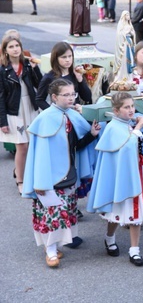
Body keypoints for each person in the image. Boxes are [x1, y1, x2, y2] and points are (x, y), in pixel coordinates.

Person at [22, 78, 100, 267]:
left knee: (63, 212)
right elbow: (40, 156)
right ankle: (50, 251)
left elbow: (76, 146)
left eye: (73, 94)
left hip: (69, 175)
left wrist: (91, 135)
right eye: (66, 95)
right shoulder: (45, 119)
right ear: (54, 97)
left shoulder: (72, 116)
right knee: (52, 215)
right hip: (50, 178)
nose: (71, 98)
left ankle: (54, 246)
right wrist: (41, 182)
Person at [87, 92, 143, 267]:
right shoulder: (113, 128)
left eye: (132, 106)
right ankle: (109, 238)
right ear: (116, 111)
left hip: (138, 173)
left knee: (136, 212)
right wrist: (138, 129)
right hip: (121, 177)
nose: (131, 110)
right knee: (116, 209)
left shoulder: (132, 123)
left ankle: (134, 250)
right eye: (126, 107)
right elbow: (126, 148)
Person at [0, 35, 42, 194]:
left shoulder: (28, 66)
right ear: (5, 50)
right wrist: (2, 121)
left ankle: (21, 170)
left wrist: (35, 68)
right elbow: (1, 96)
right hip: (14, 111)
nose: (15, 49)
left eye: (17, 45)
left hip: (30, 108)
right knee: (22, 146)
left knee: (31, 145)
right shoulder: (3, 70)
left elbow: (41, 85)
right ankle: (21, 180)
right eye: (11, 46)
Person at [36, 42, 92, 111]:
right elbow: (39, 100)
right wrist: (54, 112)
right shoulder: (49, 77)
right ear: (56, 58)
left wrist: (80, 80)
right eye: (64, 57)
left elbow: (87, 97)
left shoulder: (75, 74)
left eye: (70, 56)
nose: (67, 60)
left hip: (75, 114)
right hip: (59, 117)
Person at [113, 10, 136, 81]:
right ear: (124, 16)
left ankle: (129, 76)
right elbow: (119, 35)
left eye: (129, 15)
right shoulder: (121, 25)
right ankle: (122, 76)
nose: (128, 17)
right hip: (124, 45)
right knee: (124, 59)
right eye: (126, 15)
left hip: (130, 43)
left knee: (131, 58)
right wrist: (126, 32)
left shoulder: (130, 25)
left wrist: (132, 33)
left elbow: (133, 33)